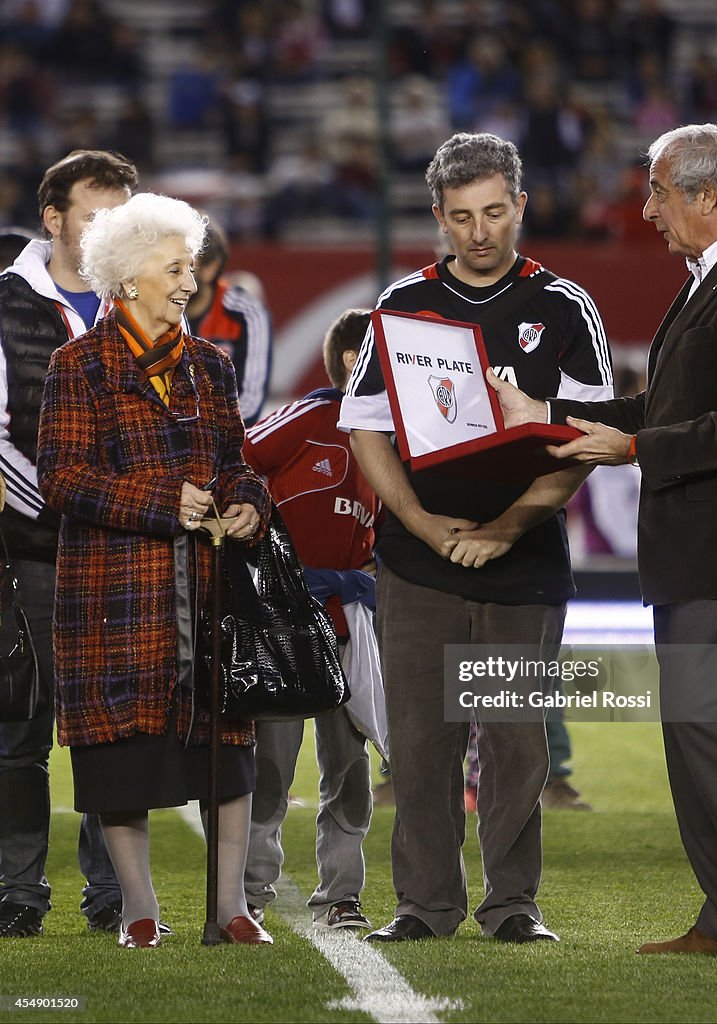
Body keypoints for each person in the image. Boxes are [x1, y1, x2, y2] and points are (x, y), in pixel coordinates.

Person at [488, 123, 717, 962]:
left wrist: (636, 449)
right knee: (692, 727)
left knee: (713, 721)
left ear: (705, 195)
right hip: (696, 543)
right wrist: (551, 420)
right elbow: (659, 406)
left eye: (657, 191)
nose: (646, 210)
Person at [339, 132, 612, 944]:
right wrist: (422, 523)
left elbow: (586, 440)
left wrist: (506, 526)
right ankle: (424, 908)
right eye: (462, 217)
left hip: (521, 560)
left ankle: (512, 906)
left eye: (495, 212)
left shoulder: (564, 305)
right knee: (422, 744)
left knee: (516, 744)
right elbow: (366, 428)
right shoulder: (401, 302)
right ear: (439, 218)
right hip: (416, 562)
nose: (481, 231)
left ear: (521, 206)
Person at [36, 193, 272, 949]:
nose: (189, 279)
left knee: (228, 751)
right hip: (115, 593)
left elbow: (239, 464)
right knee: (121, 756)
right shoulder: (78, 365)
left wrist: (246, 505)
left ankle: (232, 909)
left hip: (207, 590)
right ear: (129, 276)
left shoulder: (211, 365)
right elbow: (63, 478)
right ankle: (139, 912)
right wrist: (163, 500)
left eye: (190, 263)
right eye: (174, 266)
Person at [0, 150, 137, 940]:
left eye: (119, 218)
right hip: (30, 552)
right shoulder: (6, 302)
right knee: (20, 727)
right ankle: (19, 891)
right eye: (92, 215)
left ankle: (111, 895)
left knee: (110, 728)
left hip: (120, 552)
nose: (105, 231)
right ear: (52, 219)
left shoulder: (144, 302)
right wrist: (75, 502)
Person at [242, 308, 379, 930]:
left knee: (349, 773)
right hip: (283, 627)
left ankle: (342, 894)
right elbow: (239, 464)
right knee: (269, 772)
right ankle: (247, 896)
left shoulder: (397, 436)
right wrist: (267, 561)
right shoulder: (311, 417)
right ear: (348, 364)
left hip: (351, 629)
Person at [185, 217, 272, 427]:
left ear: (210, 269)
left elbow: (250, 402)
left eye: (186, 265)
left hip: (223, 444)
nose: (176, 276)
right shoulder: (153, 306)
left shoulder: (244, 312)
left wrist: (199, 435)